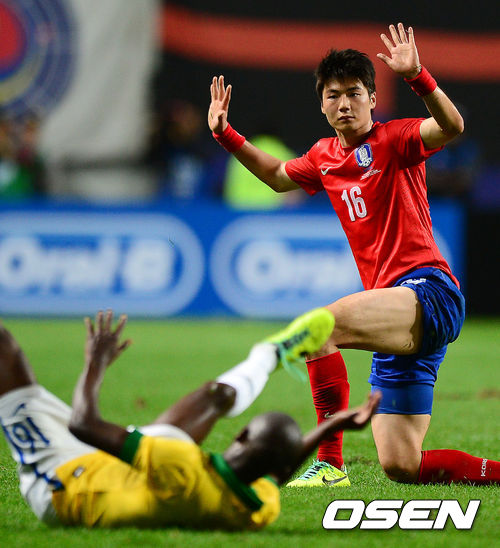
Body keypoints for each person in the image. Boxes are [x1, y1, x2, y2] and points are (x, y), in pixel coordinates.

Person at [208, 23, 500, 487]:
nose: (344, 103)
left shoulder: (395, 139)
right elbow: (278, 176)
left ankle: (330, 466)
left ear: (371, 98)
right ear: (322, 104)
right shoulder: (323, 156)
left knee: (317, 328)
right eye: (333, 95)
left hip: (428, 291)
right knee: (402, 464)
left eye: (354, 93)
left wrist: (418, 76)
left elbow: (452, 127)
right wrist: (226, 135)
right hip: (396, 311)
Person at [0, 309, 380, 529]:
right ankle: (270, 354)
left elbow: (82, 424)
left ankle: (264, 357)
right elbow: (278, 472)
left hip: (62, 483)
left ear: (241, 434)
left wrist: (95, 362)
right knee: (217, 397)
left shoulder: (178, 464)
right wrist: (333, 424)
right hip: (147, 476)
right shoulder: (259, 508)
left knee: (5, 349)